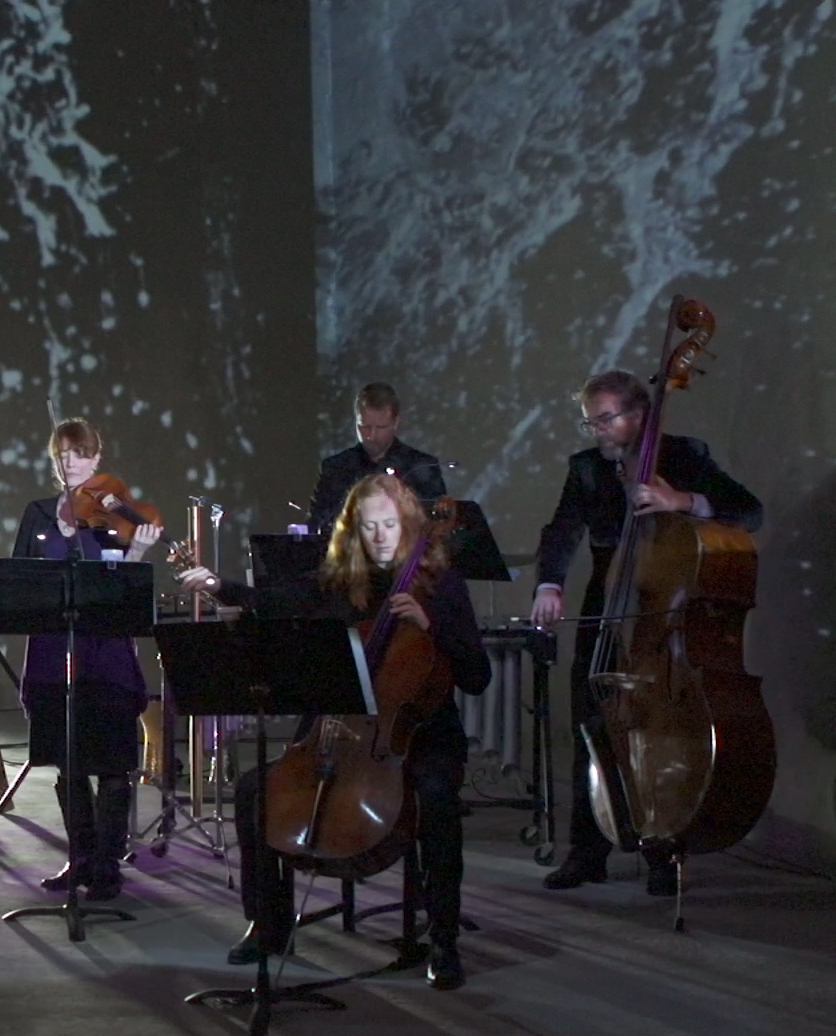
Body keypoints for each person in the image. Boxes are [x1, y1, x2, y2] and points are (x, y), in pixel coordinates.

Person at [180, 474, 491, 990]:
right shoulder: (341, 581)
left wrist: (430, 626)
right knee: (256, 790)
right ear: (353, 531)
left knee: (436, 798)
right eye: (368, 527)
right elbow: (271, 602)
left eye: (389, 524)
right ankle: (269, 925)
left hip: (418, 735)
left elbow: (478, 677)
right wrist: (220, 587)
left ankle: (443, 937)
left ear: (409, 524)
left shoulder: (442, 586)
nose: (380, 536)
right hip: (337, 731)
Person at [530, 370, 762, 895]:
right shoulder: (586, 468)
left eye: (605, 419)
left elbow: (750, 511)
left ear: (637, 415)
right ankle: (587, 851)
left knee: (659, 732)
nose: (596, 431)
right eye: (590, 422)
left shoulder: (684, 455)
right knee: (593, 724)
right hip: (608, 605)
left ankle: (662, 850)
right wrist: (549, 584)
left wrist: (684, 501)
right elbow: (562, 530)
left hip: (661, 610)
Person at [12, 419, 160, 900]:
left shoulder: (112, 512)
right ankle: (80, 858)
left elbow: (125, 592)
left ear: (97, 458)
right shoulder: (37, 513)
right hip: (53, 652)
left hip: (105, 652)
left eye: (80, 453)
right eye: (63, 454)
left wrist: (137, 553)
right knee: (68, 762)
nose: (71, 462)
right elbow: (19, 578)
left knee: (113, 762)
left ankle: (107, 865)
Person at [306, 382, 447, 535]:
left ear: (396, 423)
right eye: (364, 426)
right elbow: (315, 524)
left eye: (381, 427)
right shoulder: (335, 468)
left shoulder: (421, 466)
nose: (371, 436)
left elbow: (436, 526)